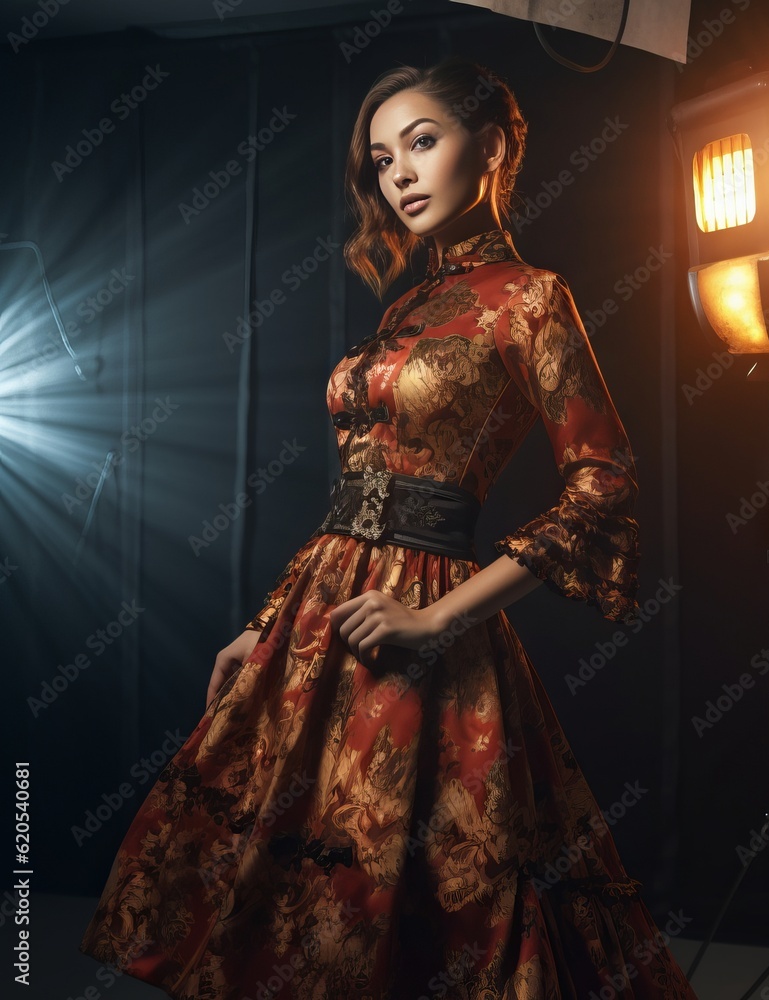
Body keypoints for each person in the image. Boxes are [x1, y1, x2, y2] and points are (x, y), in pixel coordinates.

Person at [79, 57, 698, 999]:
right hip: (320, 616)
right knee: (285, 877)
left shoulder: (530, 298)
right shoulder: (405, 306)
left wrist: (438, 620)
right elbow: (356, 495)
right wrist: (267, 621)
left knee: (413, 876)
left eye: (421, 142)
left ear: (486, 147)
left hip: (420, 620)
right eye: (380, 159)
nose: (398, 174)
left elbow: (603, 486)